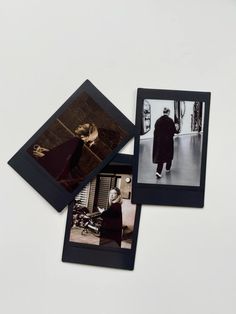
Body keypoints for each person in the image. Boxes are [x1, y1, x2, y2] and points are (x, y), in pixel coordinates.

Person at [32, 123, 98, 190]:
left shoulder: (76, 144)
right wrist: (47, 151)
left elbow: (61, 166)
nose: (79, 125)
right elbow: (60, 156)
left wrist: (43, 156)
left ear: (85, 135)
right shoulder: (75, 142)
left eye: (83, 127)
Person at [152, 107, 179, 178]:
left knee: (161, 156)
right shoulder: (170, 120)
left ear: (163, 112)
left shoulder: (158, 120)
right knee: (169, 155)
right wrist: (177, 130)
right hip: (168, 141)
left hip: (160, 142)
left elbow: (155, 132)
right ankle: (167, 168)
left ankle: (158, 172)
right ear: (168, 112)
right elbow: (173, 131)